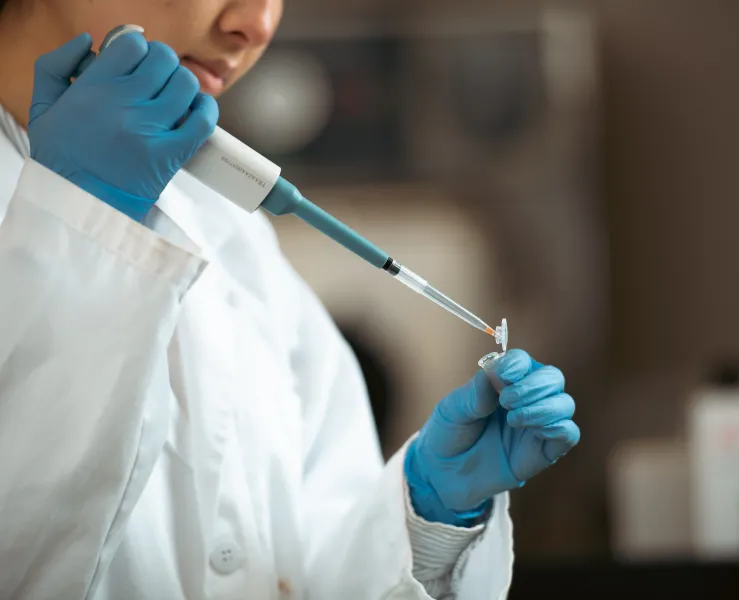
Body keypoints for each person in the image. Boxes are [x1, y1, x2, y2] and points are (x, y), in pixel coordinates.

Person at [0, 1, 581, 599]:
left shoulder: (235, 242)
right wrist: (78, 229)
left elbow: (295, 567)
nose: (256, 25)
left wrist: (426, 519)